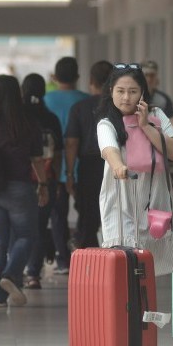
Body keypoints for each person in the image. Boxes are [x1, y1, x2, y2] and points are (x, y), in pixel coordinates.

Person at [0, 75, 48, 307]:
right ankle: (12, 274)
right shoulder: (29, 123)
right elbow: (37, 159)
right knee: (27, 236)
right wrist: (43, 185)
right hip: (20, 189)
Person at [96, 63, 173, 247]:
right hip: (121, 203)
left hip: (155, 203)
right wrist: (119, 167)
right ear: (111, 91)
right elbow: (109, 149)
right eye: (120, 91)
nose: (126, 97)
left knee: (157, 269)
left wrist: (145, 126)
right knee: (124, 264)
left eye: (133, 91)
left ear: (143, 92)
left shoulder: (157, 114)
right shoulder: (107, 123)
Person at [43, 57, 88, 273]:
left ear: (54, 77)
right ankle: (81, 249)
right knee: (86, 212)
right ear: (78, 77)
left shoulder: (45, 100)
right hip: (83, 165)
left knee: (57, 214)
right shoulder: (86, 101)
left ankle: (63, 260)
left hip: (53, 166)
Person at [21, 73, 63, 289]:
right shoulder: (51, 119)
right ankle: (33, 274)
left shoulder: (18, 118)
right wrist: (54, 180)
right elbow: (57, 154)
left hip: (20, 179)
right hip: (46, 179)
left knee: (18, 227)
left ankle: (15, 269)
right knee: (38, 226)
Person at [65, 60, 113, 249]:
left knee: (88, 215)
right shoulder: (118, 106)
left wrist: (69, 174)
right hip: (115, 163)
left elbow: (71, 142)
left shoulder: (80, 107)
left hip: (89, 166)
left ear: (91, 81)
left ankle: (90, 259)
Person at [141, 59, 173, 136]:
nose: (149, 79)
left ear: (156, 78)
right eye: (146, 75)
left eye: (152, 75)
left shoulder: (163, 99)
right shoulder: (134, 96)